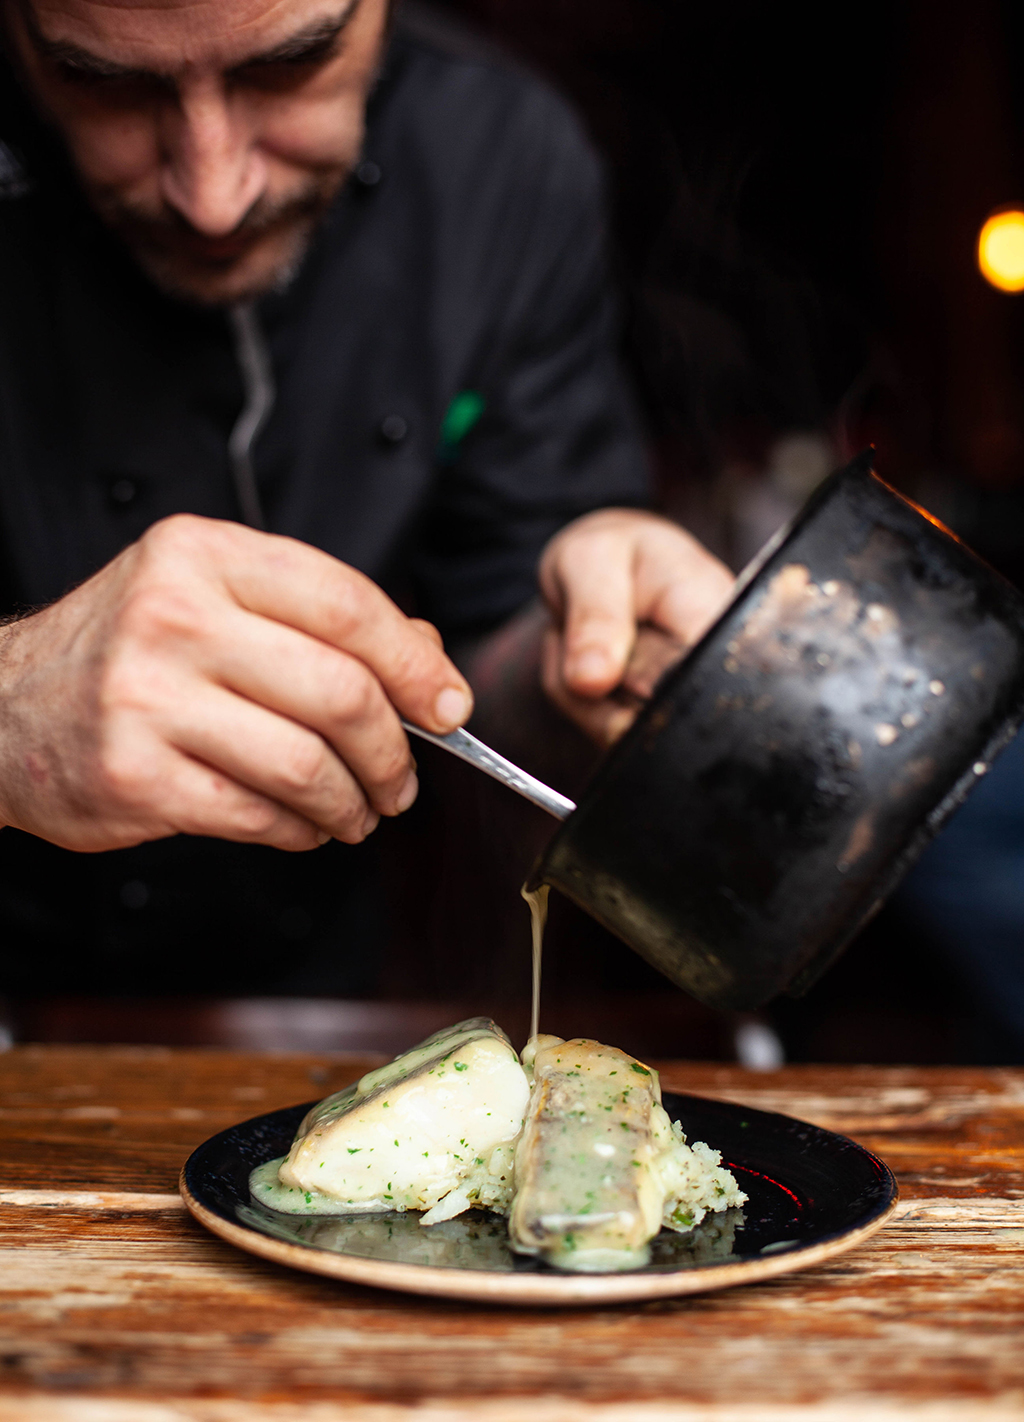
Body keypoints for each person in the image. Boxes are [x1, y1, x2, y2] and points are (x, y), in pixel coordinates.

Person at [0, 0, 733, 994]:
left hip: (323, 996)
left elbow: (491, 650)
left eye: (290, 66)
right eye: (106, 82)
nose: (212, 193)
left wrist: (579, 653)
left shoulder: (499, 158)